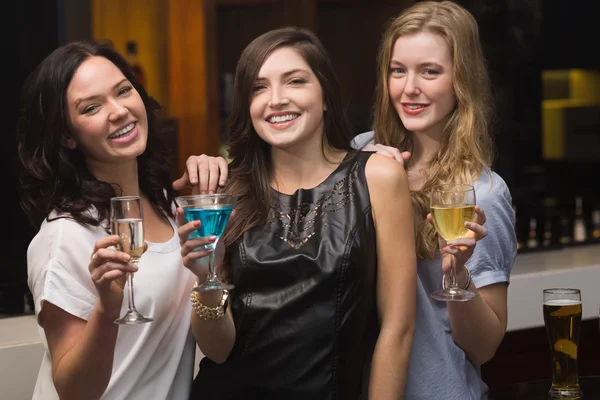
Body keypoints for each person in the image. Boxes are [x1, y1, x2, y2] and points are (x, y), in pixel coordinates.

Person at [176, 2, 517, 399]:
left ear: (462, 80)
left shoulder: (480, 193)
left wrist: (458, 275)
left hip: (433, 387)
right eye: (397, 70)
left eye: (430, 71)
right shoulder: (365, 155)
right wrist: (207, 273)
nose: (410, 88)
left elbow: (483, 345)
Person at [176, 27, 417, 399]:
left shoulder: (379, 176)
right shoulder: (227, 192)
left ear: (324, 96)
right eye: (259, 88)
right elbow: (218, 349)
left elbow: (398, 329)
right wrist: (206, 276)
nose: (276, 99)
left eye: (295, 81)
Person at [17, 41, 203, 399]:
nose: (118, 110)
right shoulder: (65, 237)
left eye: (123, 90)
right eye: (91, 107)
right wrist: (107, 306)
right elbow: (75, 391)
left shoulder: (170, 207)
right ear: (67, 136)